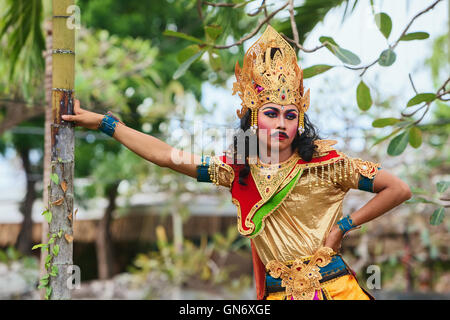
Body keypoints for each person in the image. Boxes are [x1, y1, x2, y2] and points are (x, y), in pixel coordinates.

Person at [62, 25, 412, 300]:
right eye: (271, 113)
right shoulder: (237, 171)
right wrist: (107, 125)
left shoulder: (327, 163)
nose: (281, 123)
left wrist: (344, 226)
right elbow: (167, 156)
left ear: (299, 121)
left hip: (335, 291)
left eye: (290, 115)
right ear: (252, 120)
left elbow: (398, 188)